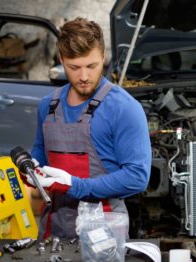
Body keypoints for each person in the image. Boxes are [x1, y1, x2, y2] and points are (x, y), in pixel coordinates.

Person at [26, 17, 151, 240]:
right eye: (74, 67)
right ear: (62, 60)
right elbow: (40, 150)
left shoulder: (123, 108)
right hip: (52, 230)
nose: (83, 77)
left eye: (91, 66)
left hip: (104, 236)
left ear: (103, 57)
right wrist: (31, 168)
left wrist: (75, 186)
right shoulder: (48, 105)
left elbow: (137, 177)